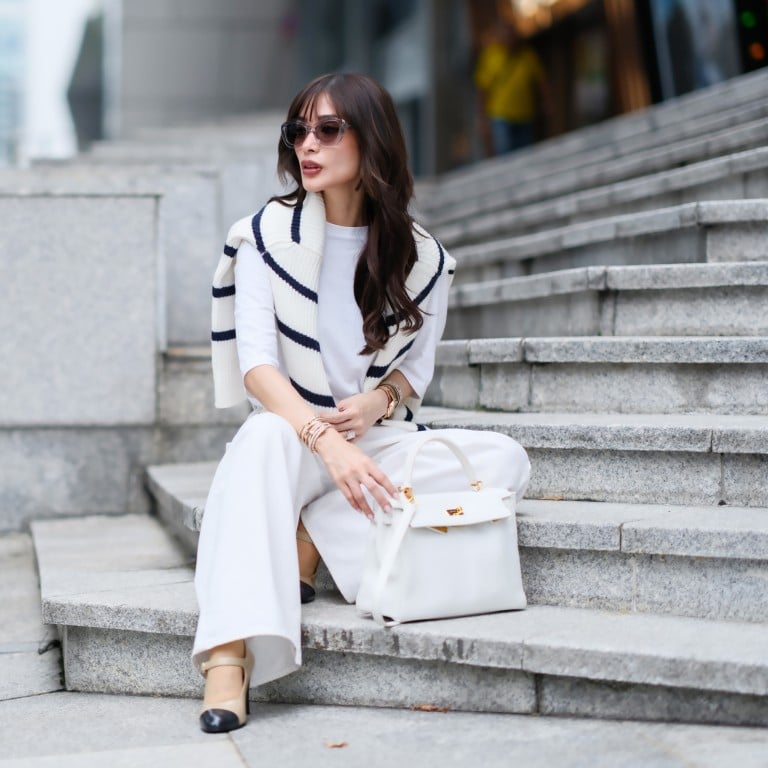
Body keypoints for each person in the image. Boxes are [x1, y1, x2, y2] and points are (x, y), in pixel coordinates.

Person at [194, 72, 531, 733]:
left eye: (328, 130)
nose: (307, 145)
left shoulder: (425, 259)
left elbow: (414, 374)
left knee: (504, 461)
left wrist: (379, 401)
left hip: (372, 438)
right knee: (257, 443)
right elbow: (257, 367)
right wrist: (325, 443)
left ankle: (312, 533)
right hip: (294, 434)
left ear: (371, 139)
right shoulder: (265, 235)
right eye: (298, 131)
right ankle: (228, 657)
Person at [474, 21, 550, 156]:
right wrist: (482, 117)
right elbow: (482, 88)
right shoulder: (491, 56)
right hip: (501, 115)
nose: (510, 38)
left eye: (512, 35)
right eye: (506, 35)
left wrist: (547, 102)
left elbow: (540, 81)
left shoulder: (527, 55)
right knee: (505, 155)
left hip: (525, 114)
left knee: (525, 154)